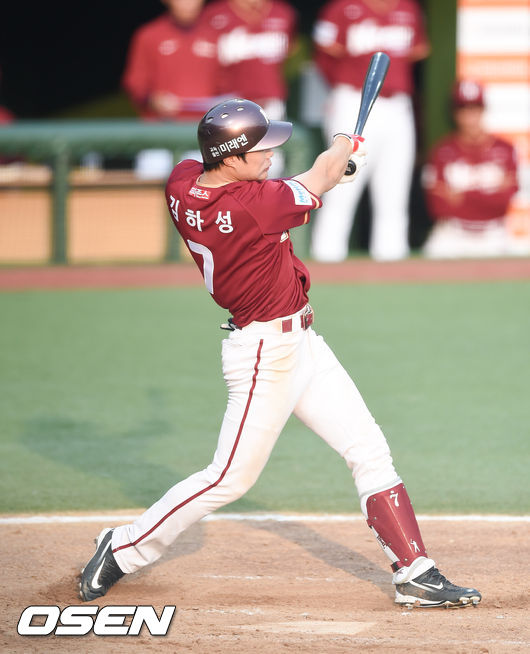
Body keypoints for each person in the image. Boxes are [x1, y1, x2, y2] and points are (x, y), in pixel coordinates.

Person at [79, 98, 481, 610]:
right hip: (264, 354)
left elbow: (304, 183)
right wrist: (345, 145)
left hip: (302, 343)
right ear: (229, 157)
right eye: (260, 148)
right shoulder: (255, 204)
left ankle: (415, 572)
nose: (271, 154)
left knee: (368, 449)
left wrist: (330, 173)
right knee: (228, 478)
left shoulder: (182, 181)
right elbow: (323, 173)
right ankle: (122, 547)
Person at [310, 0, 430, 262]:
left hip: (397, 104)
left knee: (394, 190)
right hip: (354, 100)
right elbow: (323, 57)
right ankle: (327, 259)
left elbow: (416, 54)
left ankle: (392, 261)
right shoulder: (342, 8)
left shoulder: (407, 8)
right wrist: (340, 90)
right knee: (342, 185)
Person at [422, 79, 522, 258]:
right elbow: (437, 206)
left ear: (483, 110)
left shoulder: (505, 149)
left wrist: (461, 196)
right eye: (463, 109)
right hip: (452, 234)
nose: (469, 116)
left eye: (475, 108)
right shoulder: (442, 151)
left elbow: (505, 200)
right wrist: (487, 193)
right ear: (455, 113)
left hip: (493, 234)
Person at [122, 0, 221, 177]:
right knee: (150, 180)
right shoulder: (149, 34)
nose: (187, 4)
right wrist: (153, 99)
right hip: (159, 135)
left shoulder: (217, 35)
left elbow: (230, 82)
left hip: (206, 136)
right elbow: (135, 84)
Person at [203, 0, 298, 176]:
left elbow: (290, 52)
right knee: (227, 165)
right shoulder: (213, 14)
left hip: (270, 101)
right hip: (227, 105)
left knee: (272, 165)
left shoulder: (283, 13)